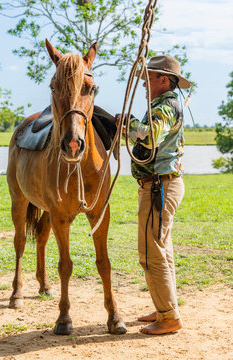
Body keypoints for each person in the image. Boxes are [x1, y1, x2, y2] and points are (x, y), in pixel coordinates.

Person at [115, 55, 192, 335]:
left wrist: (127, 122)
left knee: (152, 253)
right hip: (162, 184)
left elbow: (148, 137)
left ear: (163, 79)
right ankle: (164, 309)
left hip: (159, 186)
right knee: (162, 251)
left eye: (149, 77)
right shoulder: (166, 103)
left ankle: (169, 317)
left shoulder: (166, 105)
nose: (145, 84)